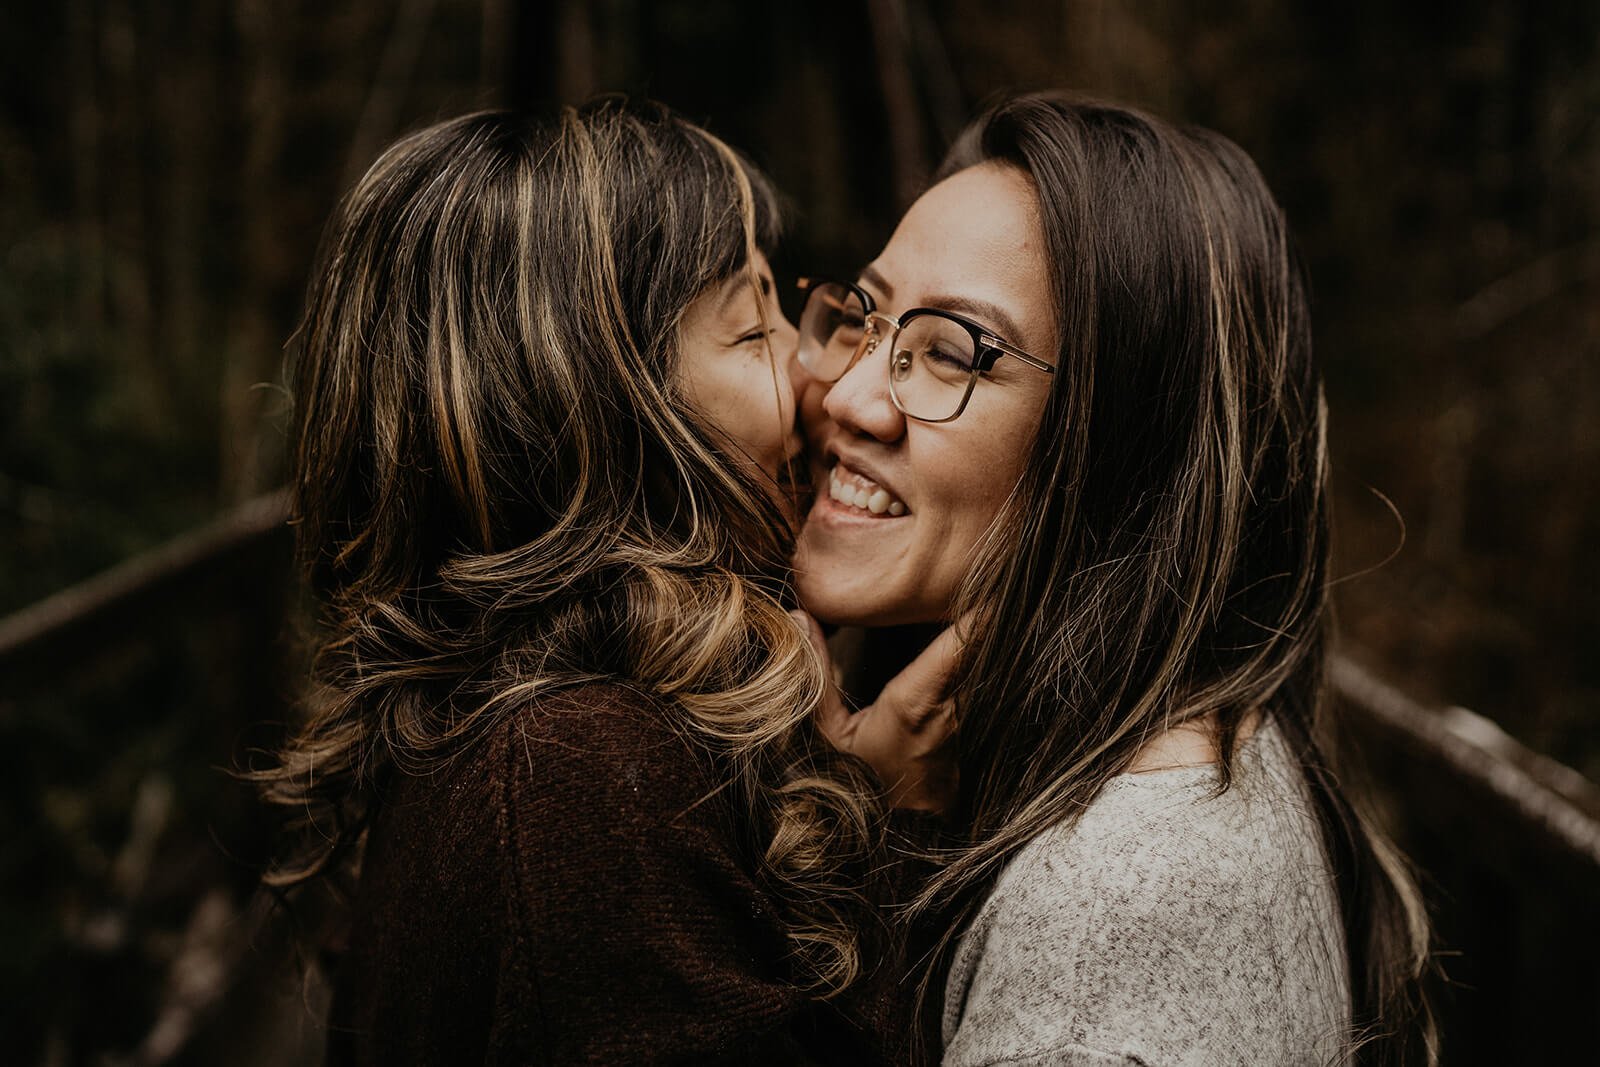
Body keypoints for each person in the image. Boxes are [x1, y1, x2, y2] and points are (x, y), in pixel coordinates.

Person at [254, 99, 940, 1065]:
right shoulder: (573, 782)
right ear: (600, 421)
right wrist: (882, 821)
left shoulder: (527, 730)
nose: (818, 368)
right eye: (752, 331)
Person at [791, 92, 1435, 1065]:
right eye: (868, 315)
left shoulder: (1124, 905)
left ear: (1121, 449)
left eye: (952, 352)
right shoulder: (1120, 759)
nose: (847, 395)